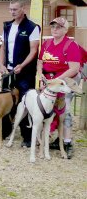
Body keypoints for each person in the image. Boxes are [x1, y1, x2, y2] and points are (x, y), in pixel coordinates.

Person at [37, 17, 81, 159]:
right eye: (53, 26)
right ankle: (54, 139)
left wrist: (57, 80)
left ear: (65, 30)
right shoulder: (47, 43)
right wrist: (41, 77)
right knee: (48, 109)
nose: (55, 29)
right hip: (50, 81)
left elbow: (74, 68)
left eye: (59, 27)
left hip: (65, 81)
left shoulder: (71, 45)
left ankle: (67, 143)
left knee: (65, 111)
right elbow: (40, 62)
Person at [0, 0, 40, 148]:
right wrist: (1, 64)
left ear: (23, 8)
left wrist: (22, 65)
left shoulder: (32, 27)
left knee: (25, 102)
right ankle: (5, 131)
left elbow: (34, 50)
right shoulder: (7, 26)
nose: (12, 12)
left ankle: (27, 136)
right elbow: (3, 47)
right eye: (10, 9)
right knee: (4, 100)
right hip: (8, 71)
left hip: (25, 72)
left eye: (15, 9)